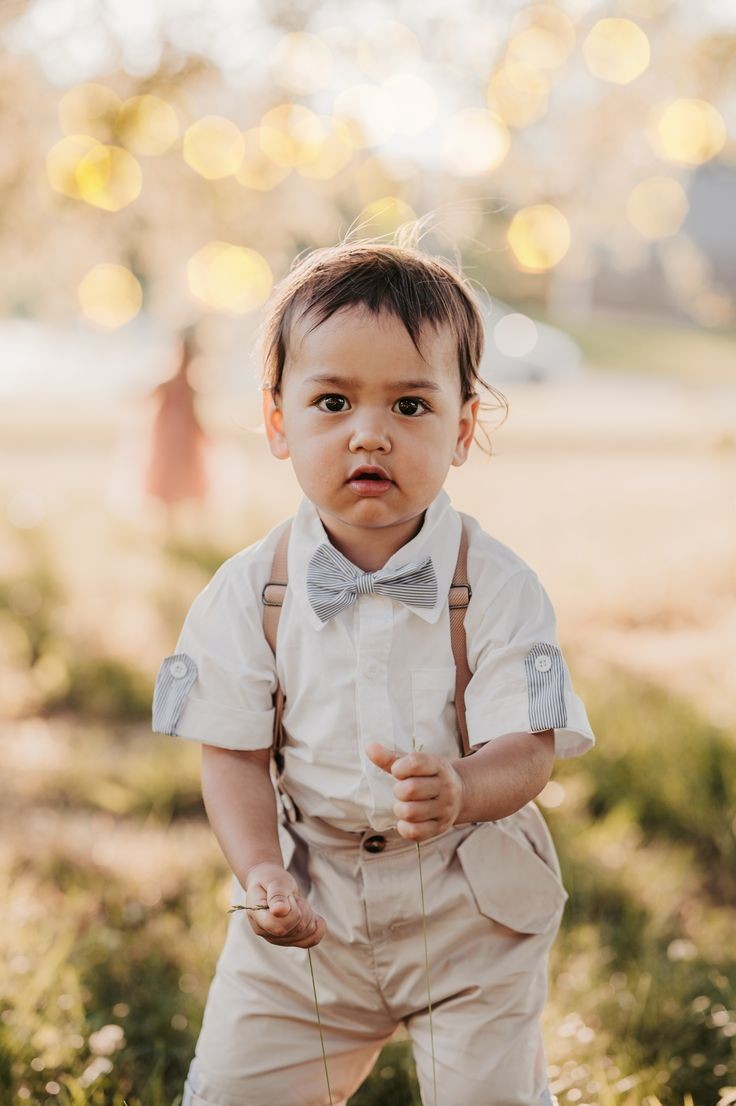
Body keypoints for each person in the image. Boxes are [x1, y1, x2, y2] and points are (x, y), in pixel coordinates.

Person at [152, 239, 596, 1106]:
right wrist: (261, 871)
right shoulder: (247, 593)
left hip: (473, 913)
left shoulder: (500, 587)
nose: (369, 431)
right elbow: (233, 756)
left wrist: (464, 786)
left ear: (463, 429)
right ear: (278, 424)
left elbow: (532, 747)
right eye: (331, 400)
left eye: (409, 403)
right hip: (310, 905)